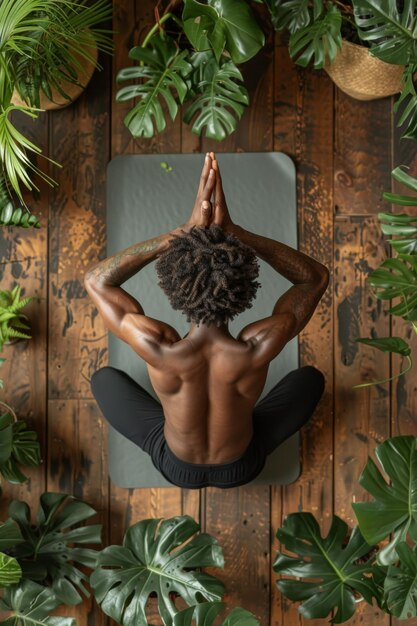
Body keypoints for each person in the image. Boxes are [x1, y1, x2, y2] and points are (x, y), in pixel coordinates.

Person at [85, 153, 329, 489]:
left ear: (175, 286)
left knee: (102, 379)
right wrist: (241, 235)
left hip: (176, 466)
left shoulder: (157, 345)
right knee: (312, 379)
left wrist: (178, 235)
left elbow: (96, 280)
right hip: (242, 465)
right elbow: (314, 278)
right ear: (242, 287)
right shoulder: (260, 344)